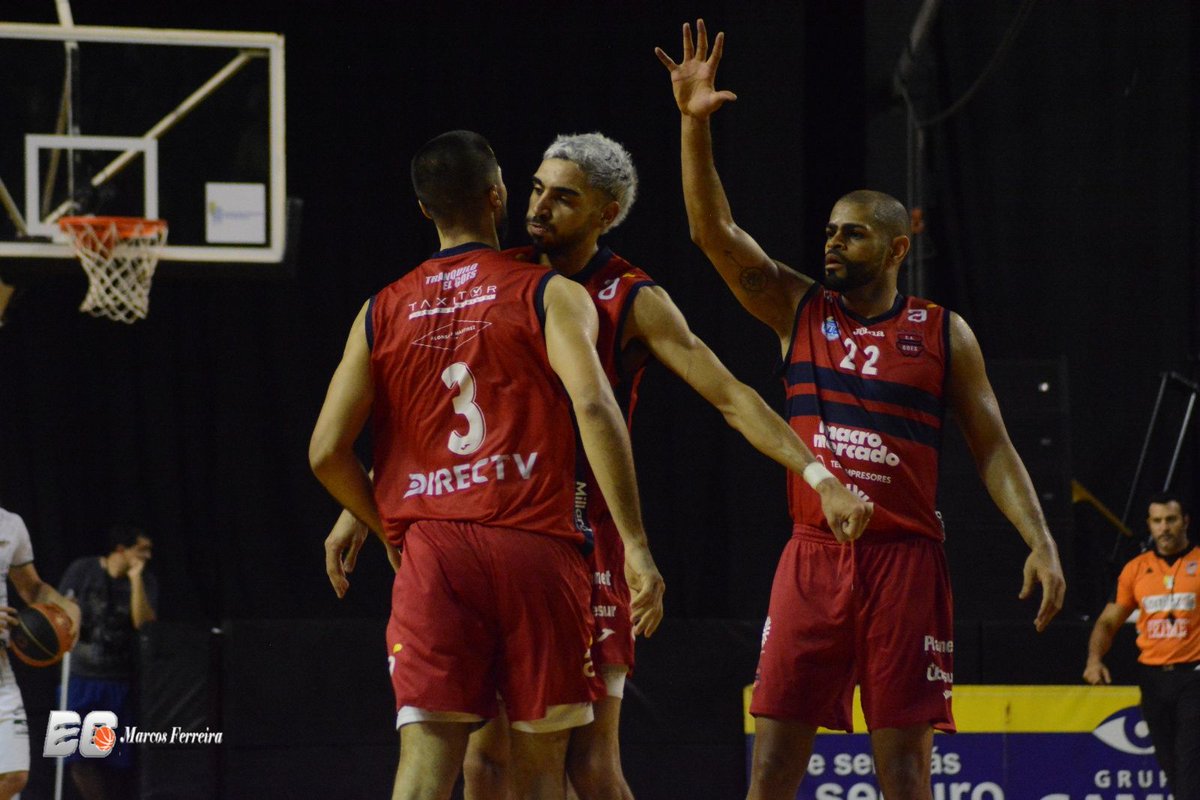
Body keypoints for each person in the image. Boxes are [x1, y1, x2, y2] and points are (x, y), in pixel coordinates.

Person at [656, 21, 1066, 800]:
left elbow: (994, 449)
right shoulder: (798, 309)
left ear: (896, 247)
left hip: (905, 564)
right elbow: (712, 232)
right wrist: (693, 125)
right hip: (811, 558)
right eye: (829, 233)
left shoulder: (945, 333)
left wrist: (1039, 539)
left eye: (851, 235)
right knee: (772, 768)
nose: (833, 245)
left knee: (905, 775)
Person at [461, 132, 874, 800]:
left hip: (583, 540)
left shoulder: (631, 297)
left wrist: (821, 476)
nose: (541, 206)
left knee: (589, 765)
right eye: (537, 189)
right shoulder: (499, 274)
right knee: (485, 761)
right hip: (492, 533)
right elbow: (436, 403)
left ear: (607, 210)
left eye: (564, 197)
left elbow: (732, 397)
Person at [309, 129, 665, 800]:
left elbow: (326, 451)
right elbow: (594, 406)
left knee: (424, 770)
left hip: (434, 550)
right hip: (537, 546)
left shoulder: (380, 309)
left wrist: (384, 522)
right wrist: (638, 544)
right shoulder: (551, 291)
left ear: (423, 210)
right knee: (542, 773)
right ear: (499, 196)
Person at [1084, 492, 1200, 799]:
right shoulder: (1136, 569)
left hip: (1194, 677)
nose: (1164, 528)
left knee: (1190, 765)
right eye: (1157, 521)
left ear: (1185, 521)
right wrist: (1094, 659)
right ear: (1149, 524)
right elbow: (1107, 622)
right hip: (1153, 680)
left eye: (1171, 520)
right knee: (1171, 766)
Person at [58, 524, 157, 800]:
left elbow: (143, 623)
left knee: (110, 760)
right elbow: (59, 609)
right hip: (78, 680)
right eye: (142, 549)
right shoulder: (83, 570)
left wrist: (136, 580)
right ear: (121, 549)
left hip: (116, 683)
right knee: (74, 757)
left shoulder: (146, 581)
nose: (147, 556)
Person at [0, 505, 80, 800]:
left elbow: (32, 588)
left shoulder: (10, 524)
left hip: (1, 670)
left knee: (14, 777)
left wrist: (63, 605)